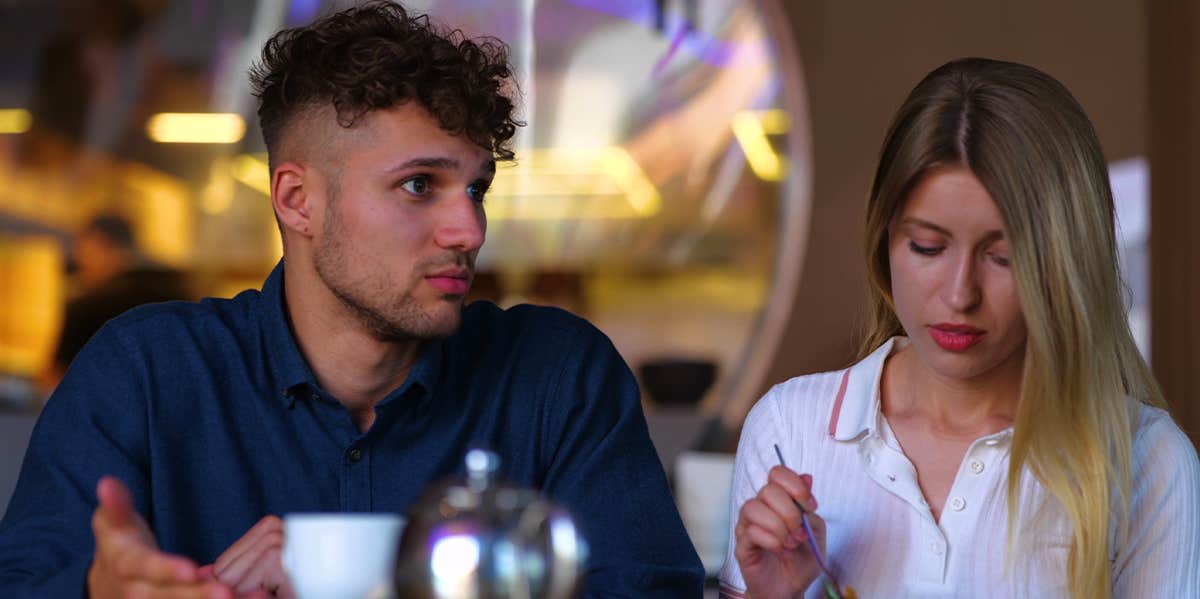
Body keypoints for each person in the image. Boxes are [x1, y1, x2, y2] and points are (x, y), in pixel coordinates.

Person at [0, 2, 703, 597]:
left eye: (477, 188)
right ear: (297, 200)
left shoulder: (558, 376)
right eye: (420, 184)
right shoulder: (144, 373)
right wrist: (100, 590)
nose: (469, 229)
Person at [718, 58, 1200, 599]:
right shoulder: (790, 430)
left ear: (1065, 264)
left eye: (1003, 257)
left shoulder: (1147, 464)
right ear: (884, 239)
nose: (959, 294)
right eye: (928, 246)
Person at [38, 213, 189, 394]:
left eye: (83, 250)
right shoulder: (172, 298)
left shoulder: (88, 307)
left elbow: (56, 382)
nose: (78, 260)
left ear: (103, 245)